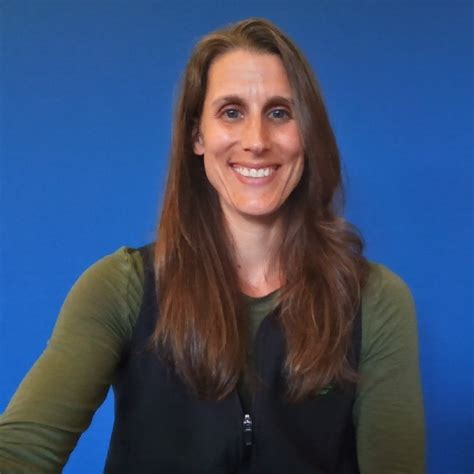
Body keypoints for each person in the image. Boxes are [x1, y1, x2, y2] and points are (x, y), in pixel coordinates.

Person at [0, 18, 425, 473]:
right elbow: (20, 453)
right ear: (197, 136)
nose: (257, 141)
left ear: (308, 134)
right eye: (231, 112)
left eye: (280, 112)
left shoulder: (375, 300)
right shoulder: (118, 288)